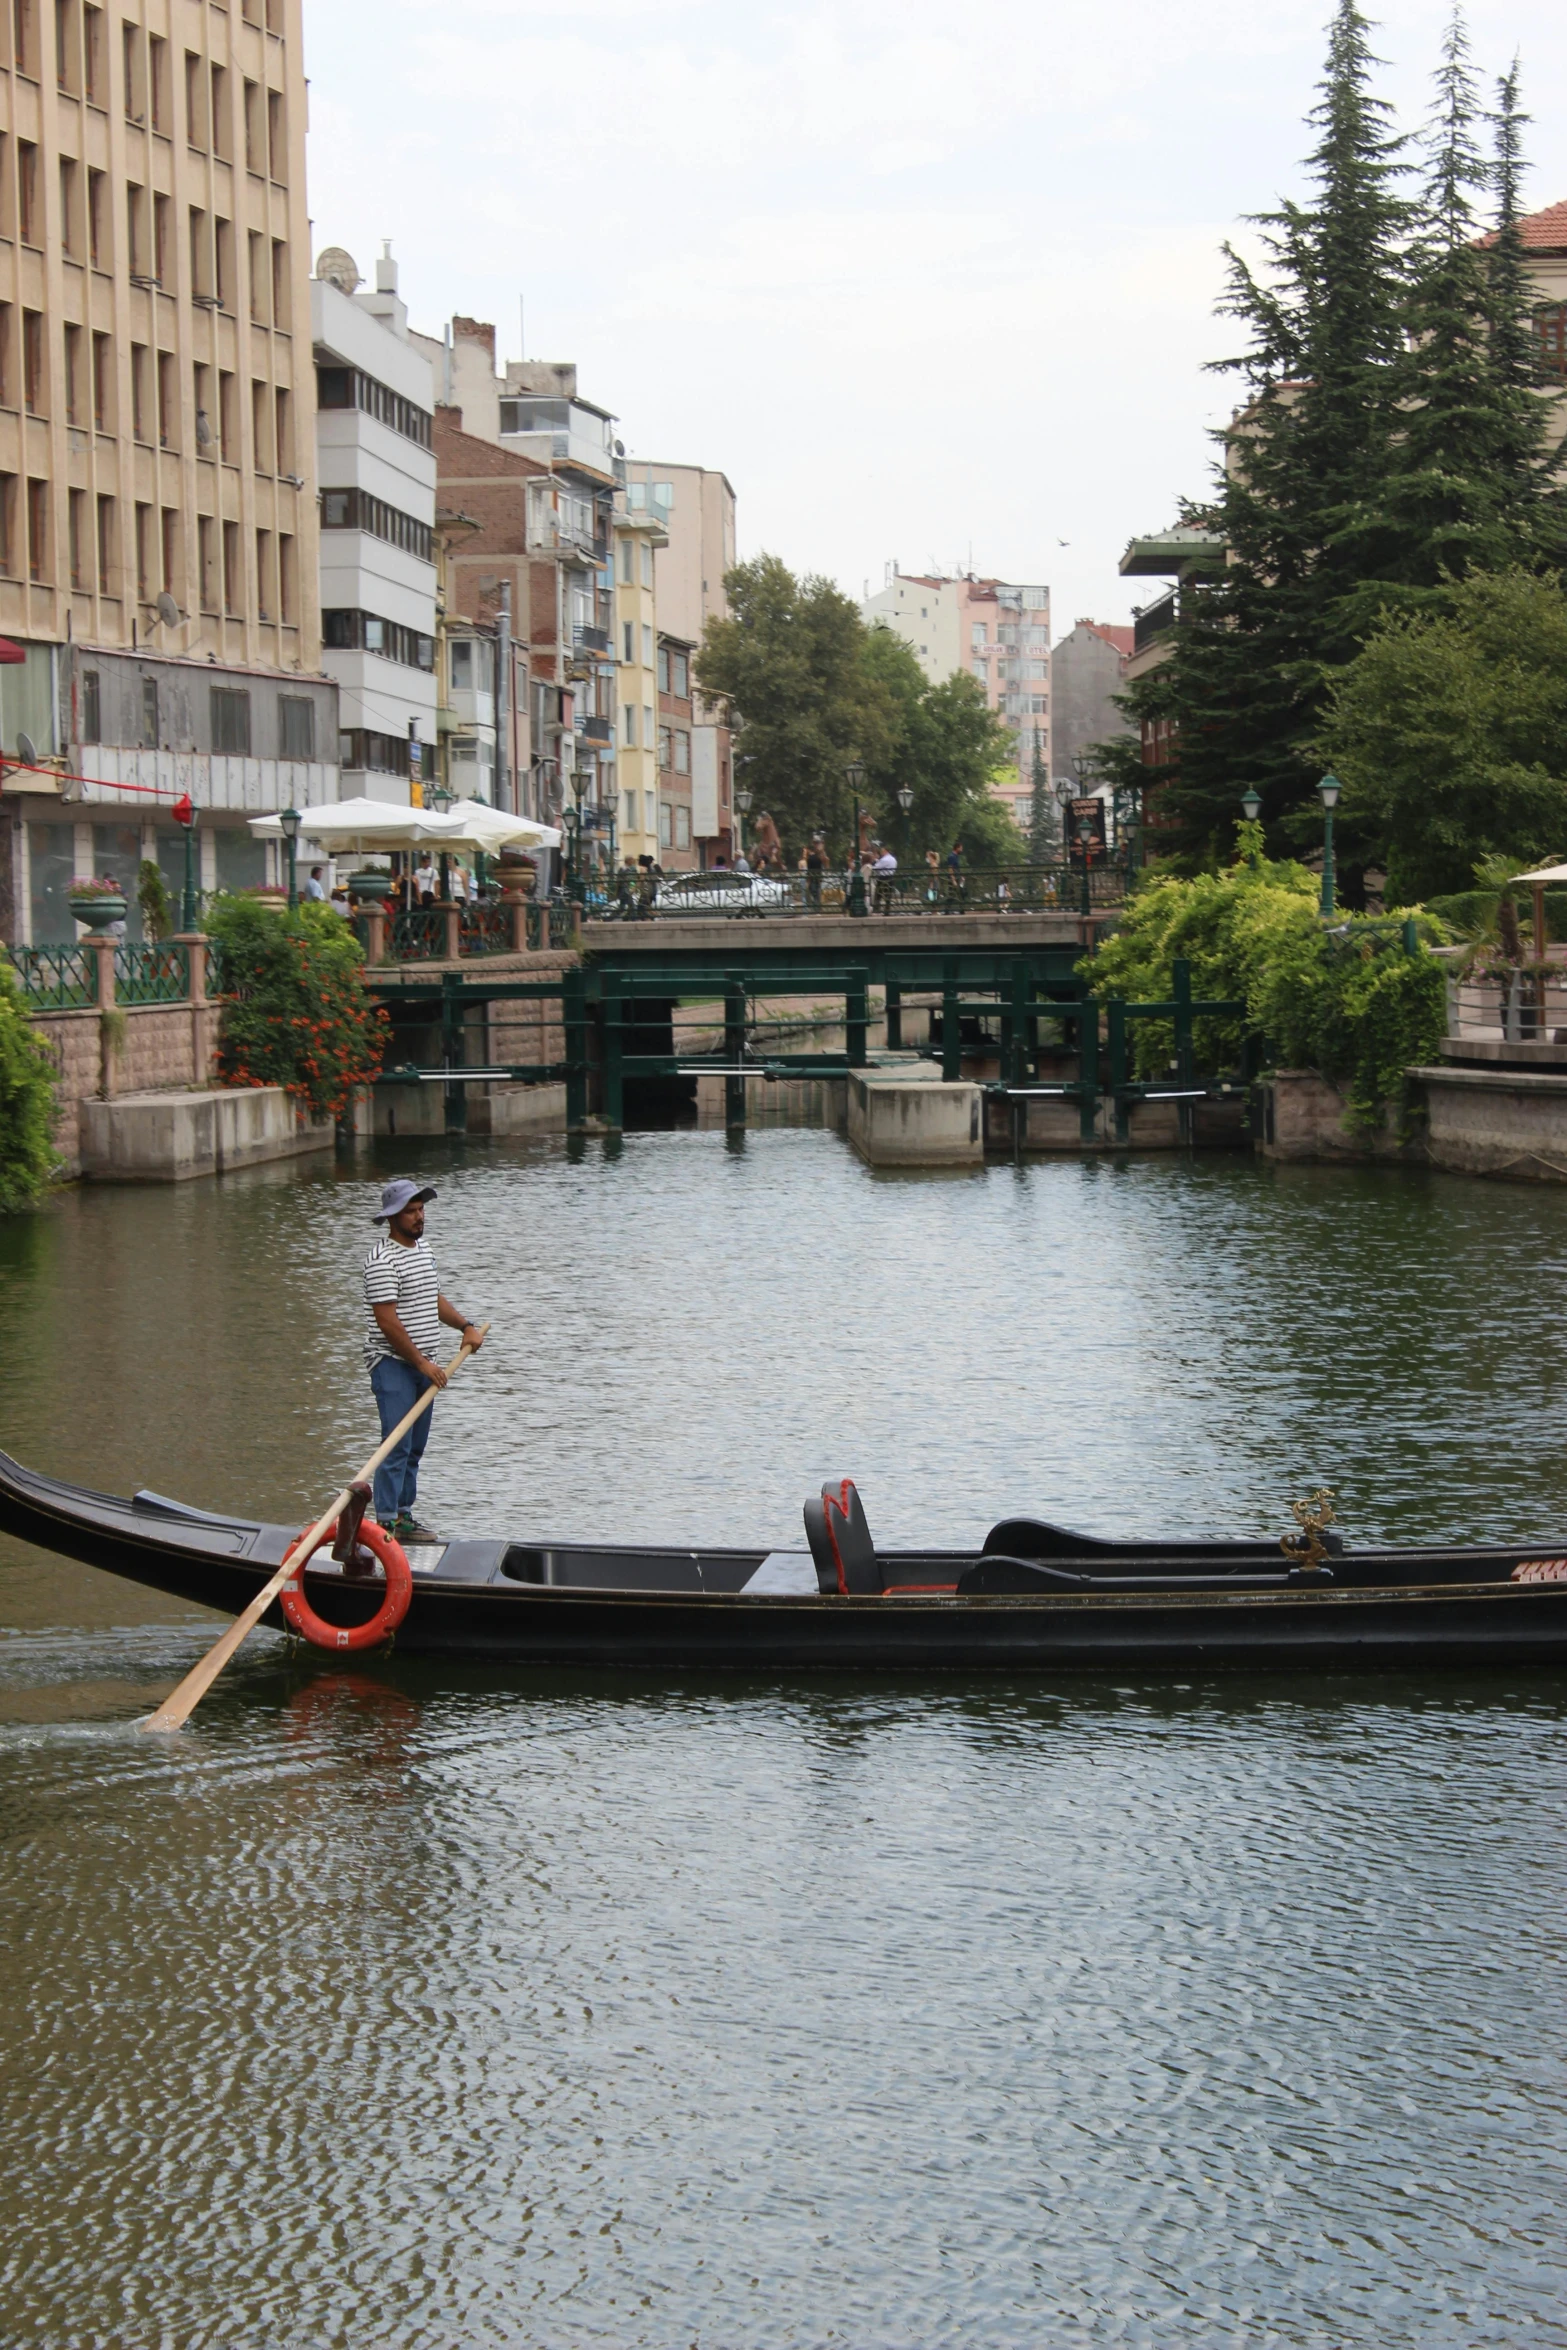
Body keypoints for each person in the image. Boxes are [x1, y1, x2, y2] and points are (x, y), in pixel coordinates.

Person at [362, 1178, 485, 1543]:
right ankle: (385, 1525)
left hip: (423, 1364)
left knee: (415, 1446)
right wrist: (420, 1363)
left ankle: (403, 1516)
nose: (419, 1217)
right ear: (392, 1217)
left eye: (421, 1210)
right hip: (393, 1364)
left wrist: (465, 1325)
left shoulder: (423, 1250)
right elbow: (387, 1322)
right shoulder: (380, 1260)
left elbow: (433, 1298)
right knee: (395, 1443)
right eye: (411, 1212)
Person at [871, 842, 898, 914]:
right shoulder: (893, 859)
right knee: (888, 895)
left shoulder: (884, 859)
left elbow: (876, 867)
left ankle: (876, 909)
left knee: (878, 894)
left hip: (883, 878)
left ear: (886, 851)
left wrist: (872, 864)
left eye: (882, 851)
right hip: (891, 877)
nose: (881, 853)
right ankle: (887, 910)